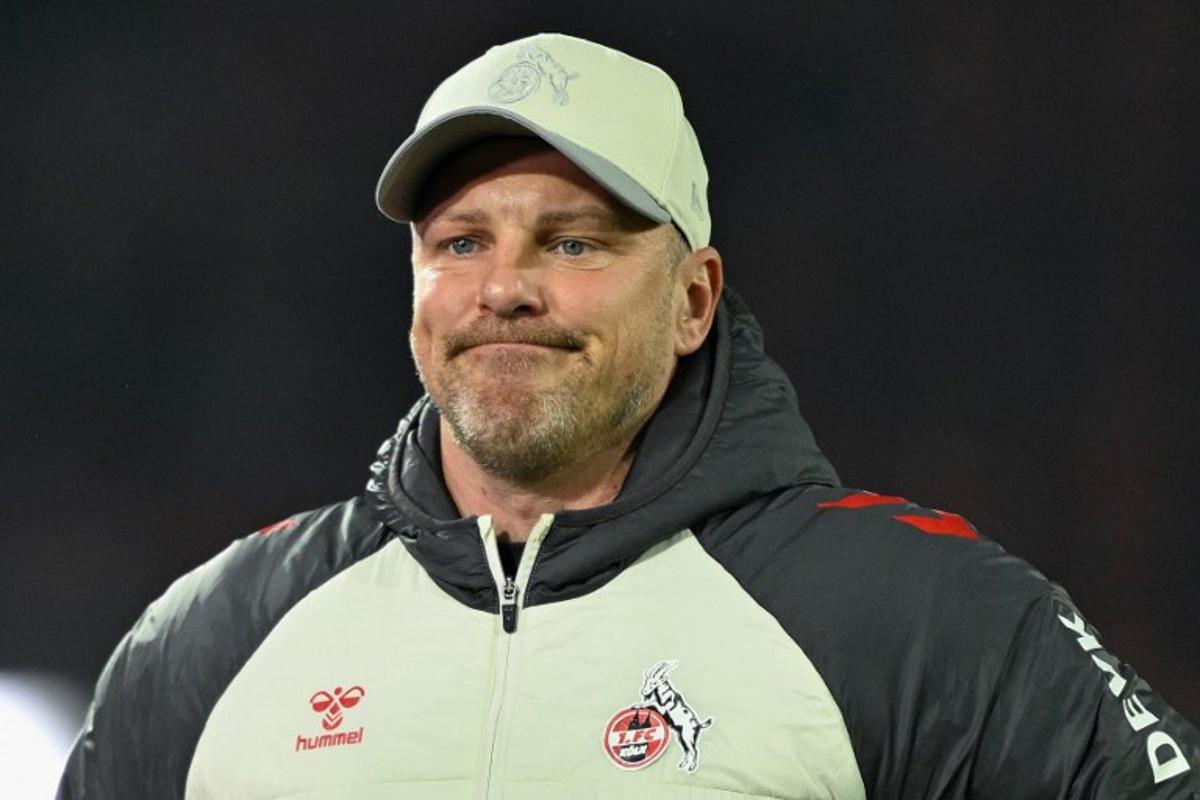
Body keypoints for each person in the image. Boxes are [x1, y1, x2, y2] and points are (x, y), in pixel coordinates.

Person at [60, 33, 1198, 799]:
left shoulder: (914, 614)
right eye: (461, 242)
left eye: (573, 240)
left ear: (695, 298)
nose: (505, 285)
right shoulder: (217, 633)